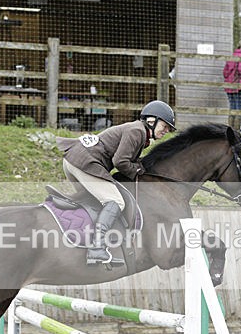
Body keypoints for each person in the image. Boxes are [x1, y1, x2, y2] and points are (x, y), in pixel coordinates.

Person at [56, 100, 175, 265]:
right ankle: (97, 248)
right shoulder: (137, 131)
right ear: (151, 120)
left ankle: (85, 242)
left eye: (169, 128)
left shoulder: (137, 130)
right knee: (115, 201)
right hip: (86, 163)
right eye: (165, 126)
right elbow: (120, 161)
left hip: (73, 160)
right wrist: (138, 172)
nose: (166, 131)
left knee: (97, 202)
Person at [222, 39, 241, 132]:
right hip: (239, 86)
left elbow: (225, 72)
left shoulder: (232, 57)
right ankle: (236, 130)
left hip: (229, 86)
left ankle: (230, 129)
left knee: (232, 108)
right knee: (239, 109)